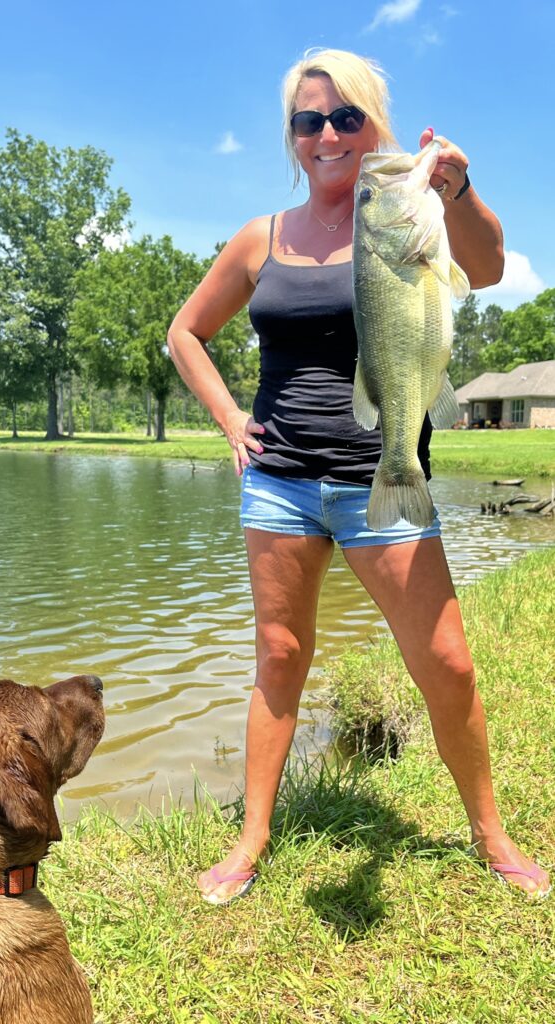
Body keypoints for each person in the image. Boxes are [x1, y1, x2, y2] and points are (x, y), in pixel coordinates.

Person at [167, 48, 550, 903]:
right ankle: (252, 838)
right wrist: (232, 420)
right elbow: (184, 332)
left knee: (446, 662)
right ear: (292, 138)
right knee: (279, 654)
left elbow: (485, 269)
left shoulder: (407, 211)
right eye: (310, 121)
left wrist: (456, 188)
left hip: (386, 475)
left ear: (376, 124)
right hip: (281, 482)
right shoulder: (259, 237)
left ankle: (491, 835)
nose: (329, 134)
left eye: (347, 117)